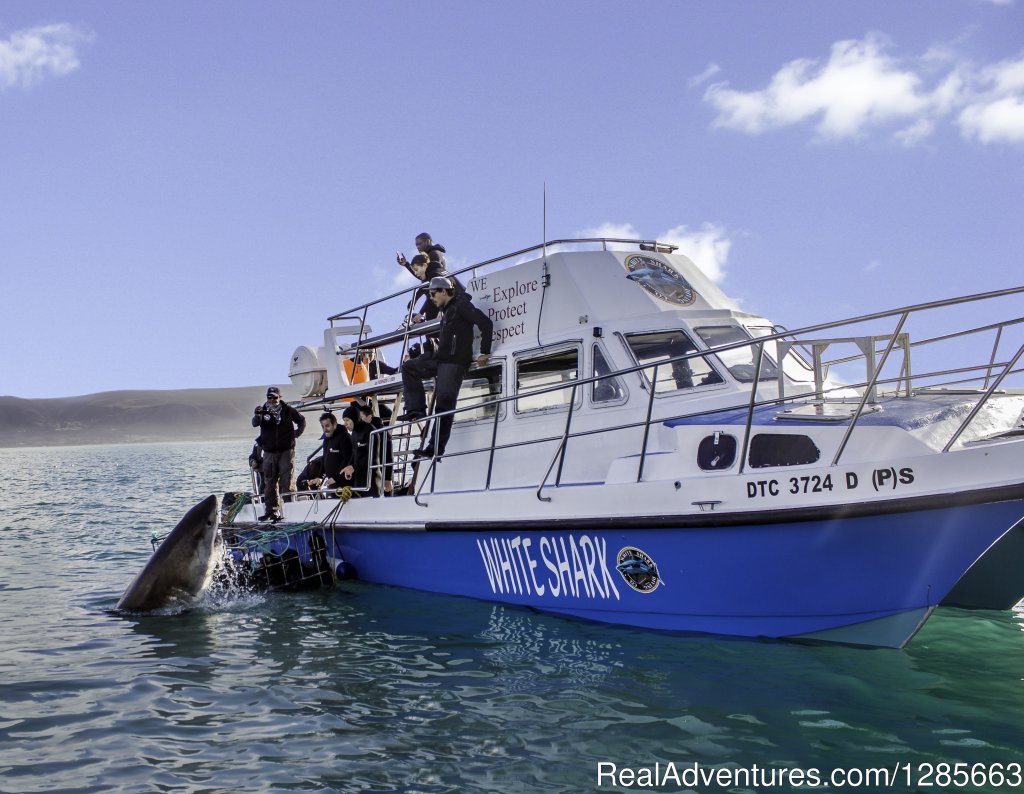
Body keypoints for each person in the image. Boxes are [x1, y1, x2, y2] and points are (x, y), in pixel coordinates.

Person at [398, 276, 493, 458]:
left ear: (443, 291)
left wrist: (484, 351)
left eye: (433, 294)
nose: (431, 298)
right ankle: (415, 410)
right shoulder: (448, 310)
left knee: (444, 406)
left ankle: (435, 448)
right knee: (409, 367)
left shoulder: (461, 306)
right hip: (442, 358)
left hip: (454, 362)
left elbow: (485, 323)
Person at [251, 386, 306, 521]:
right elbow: (254, 423)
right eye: (270, 397)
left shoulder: (288, 410)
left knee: (286, 481)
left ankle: (290, 510)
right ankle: (272, 511)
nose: (272, 400)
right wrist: (257, 415)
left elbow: (302, 421)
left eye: (275, 397)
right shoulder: (263, 412)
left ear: (280, 397)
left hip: (286, 451)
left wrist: (295, 434)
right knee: (270, 482)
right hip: (269, 452)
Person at [306, 412, 353, 492]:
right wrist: (320, 477)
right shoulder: (326, 440)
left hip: (343, 483)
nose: (324, 429)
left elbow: (347, 460)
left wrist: (336, 478)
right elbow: (325, 459)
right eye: (322, 427)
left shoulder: (344, 437)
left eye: (327, 426)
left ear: (334, 425)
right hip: (331, 482)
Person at [358, 401, 394, 494]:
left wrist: (388, 478)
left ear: (369, 417)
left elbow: (388, 454)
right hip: (373, 473)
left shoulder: (381, 432)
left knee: (385, 496)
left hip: (381, 471)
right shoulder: (366, 432)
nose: (360, 420)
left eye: (361, 417)